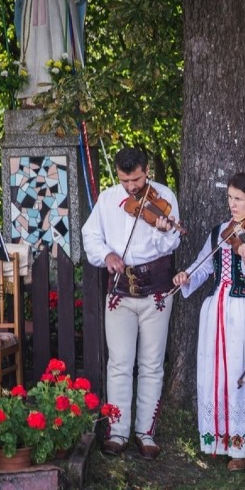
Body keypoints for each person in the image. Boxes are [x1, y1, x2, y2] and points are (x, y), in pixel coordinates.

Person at [172, 172, 245, 477]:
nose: (232, 204)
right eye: (230, 198)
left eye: (238, 199)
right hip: (219, 311)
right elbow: (201, 267)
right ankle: (236, 446)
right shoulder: (218, 232)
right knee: (226, 377)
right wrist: (186, 275)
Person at [81, 147, 180, 459]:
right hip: (121, 291)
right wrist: (107, 255)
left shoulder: (165, 196)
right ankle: (118, 431)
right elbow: (90, 236)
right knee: (120, 363)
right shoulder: (108, 199)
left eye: (136, 179)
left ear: (146, 170)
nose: (132, 187)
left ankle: (145, 433)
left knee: (151, 364)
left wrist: (162, 230)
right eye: (125, 181)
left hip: (157, 290)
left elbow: (171, 243)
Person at [14, 0, 86, 102]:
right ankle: (33, 94)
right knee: (34, 44)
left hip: (59, 2)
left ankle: (61, 89)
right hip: (33, 3)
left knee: (59, 40)